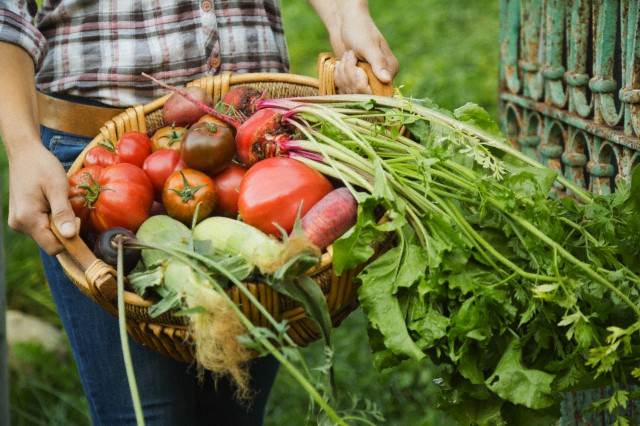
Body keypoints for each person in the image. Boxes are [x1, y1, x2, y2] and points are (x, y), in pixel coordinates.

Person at [0, 1, 398, 425]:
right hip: (100, 157)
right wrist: (23, 148)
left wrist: (347, 17)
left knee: (234, 416)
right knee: (144, 417)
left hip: (258, 138)